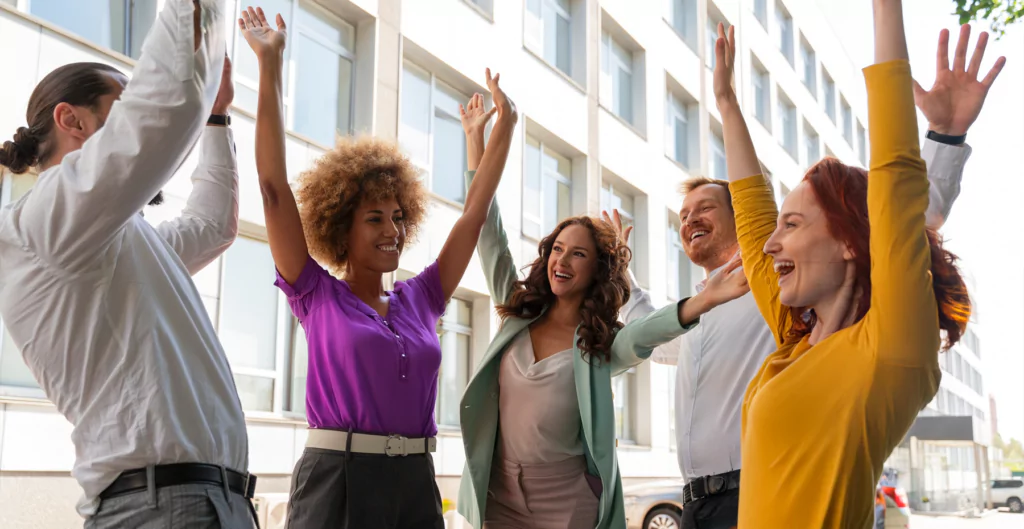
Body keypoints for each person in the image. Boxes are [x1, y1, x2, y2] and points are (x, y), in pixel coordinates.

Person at [607, 20, 1000, 529]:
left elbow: (896, 192)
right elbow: (752, 216)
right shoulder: (793, 338)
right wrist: (725, 102)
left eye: (791, 224)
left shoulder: (887, 350)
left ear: (848, 243)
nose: (769, 244)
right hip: (698, 507)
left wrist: (941, 132)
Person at [236, 6, 518, 527]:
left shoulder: (422, 297)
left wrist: (503, 128)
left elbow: (474, 213)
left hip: (415, 479)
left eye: (397, 217)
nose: (392, 230)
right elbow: (274, 191)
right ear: (342, 227)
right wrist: (270, 67)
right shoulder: (315, 293)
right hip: (336, 479)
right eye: (374, 218)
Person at [0, 1, 257, 527]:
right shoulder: (45, 220)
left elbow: (213, 226)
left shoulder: (116, 238)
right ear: (70, 119)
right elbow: (162, 112)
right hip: (160, 506)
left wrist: (216, 116)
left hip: (202, 501)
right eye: (120, 102)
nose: (132, 111)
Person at [456, 131, 753, 527]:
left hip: (568, 505)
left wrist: (705, 299)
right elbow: (489, 234)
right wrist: (477, 144)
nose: (562, 260)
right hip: (500, 498)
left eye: (578, 253)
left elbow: (647, 333)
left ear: (595, 270)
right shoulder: (517, 314)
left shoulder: (598, 344)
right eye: (558, 249)